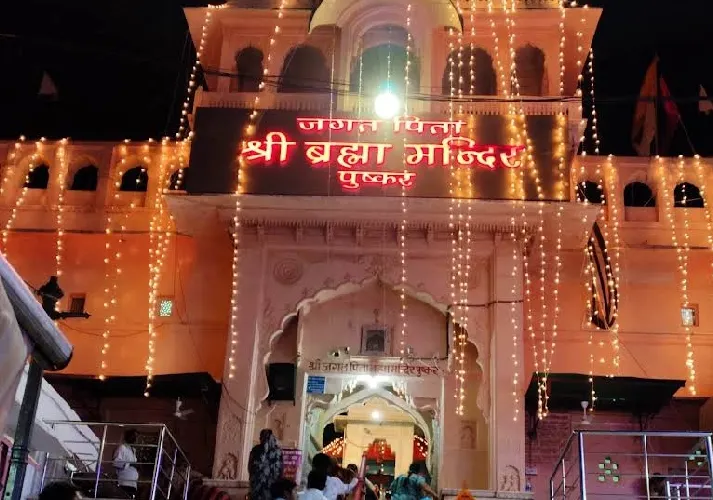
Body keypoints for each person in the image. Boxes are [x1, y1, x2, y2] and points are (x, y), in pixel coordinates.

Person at [249, 429, 283, 500]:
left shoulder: (278, 451)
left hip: (271, 485)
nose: (263, 440)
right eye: (262, 437)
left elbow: (281, 468)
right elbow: (250, 466)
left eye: (266, 437)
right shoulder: (256, 450)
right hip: (258, 484)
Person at [113, 429, 139, 499]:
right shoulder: (122, 447)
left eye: (137, 436)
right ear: (129, 437)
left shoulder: (133, 450)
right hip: (124, 482)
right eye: (134, 436)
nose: (136, 438)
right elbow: (116, 462)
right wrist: (130, 464)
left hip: (133, 483)